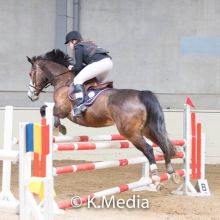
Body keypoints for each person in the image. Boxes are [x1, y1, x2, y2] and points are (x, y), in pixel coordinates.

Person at [65, 30, 113, 117]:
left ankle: (79, 105)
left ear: (74, 41)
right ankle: (96, 101)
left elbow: (78, 67)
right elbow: (86, 67)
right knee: (96, 83)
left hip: (99, 63)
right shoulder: (88, 45)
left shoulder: (78, 47)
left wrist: (72, 68)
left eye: (69, 43)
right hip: (108, 63)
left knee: (77, 80)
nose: (69, 46)